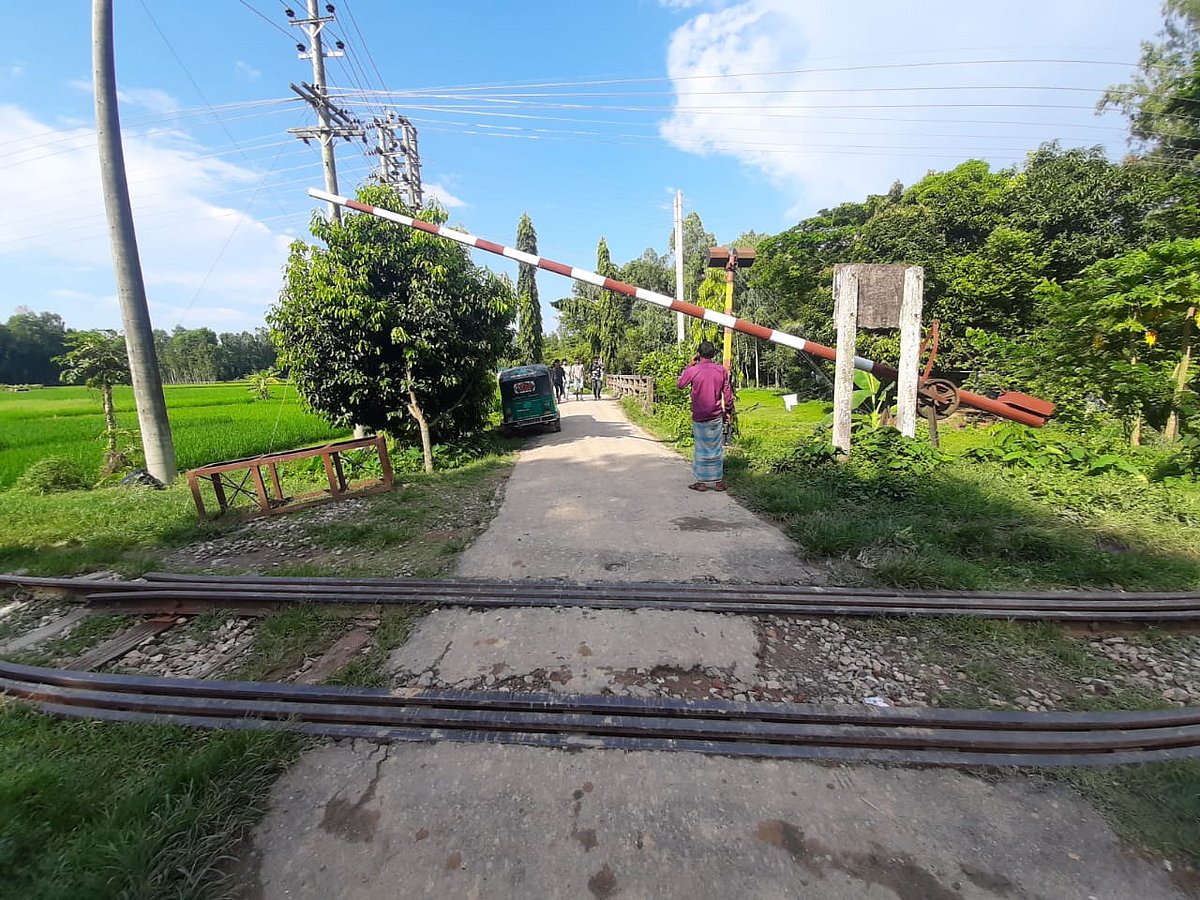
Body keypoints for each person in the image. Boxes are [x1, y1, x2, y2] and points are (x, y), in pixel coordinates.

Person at [676, 340, 734, 492]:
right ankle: (718, 482)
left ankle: (701, 482)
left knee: (701, 448)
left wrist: (689, 365)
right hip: (716, 415)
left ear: (699, 354)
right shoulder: (721, 371)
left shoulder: (693, 370)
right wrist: (728, 411)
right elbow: (728, 395)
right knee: (716, 448)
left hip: (699, 415)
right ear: (713, 354)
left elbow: (680, 384)